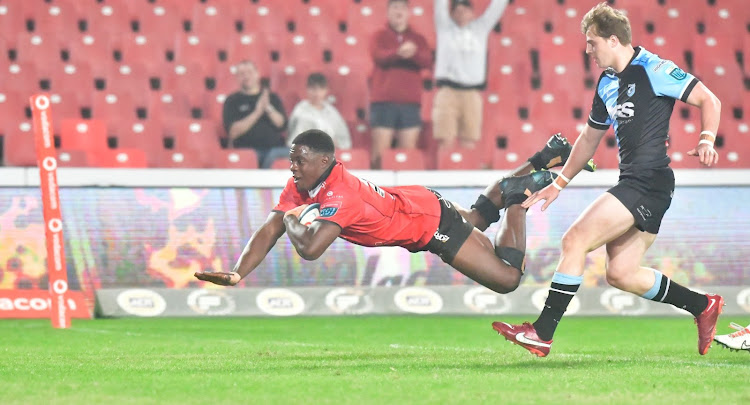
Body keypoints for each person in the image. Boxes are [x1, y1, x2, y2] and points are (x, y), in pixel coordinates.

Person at [493, 2, 723, 357]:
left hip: (647, 181)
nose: (588, 50)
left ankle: (542, 332)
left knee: (574, 240)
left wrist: (706, 140)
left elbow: (710, 99)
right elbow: (588, 139)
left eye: (592, 42)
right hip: (641, 183)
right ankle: (702, 305)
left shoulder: (654, 68)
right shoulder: (607, 83)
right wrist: (558, 183)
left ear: (613, 40)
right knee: (621, 272)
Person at [194, 130, 583, 298]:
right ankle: (545, 154)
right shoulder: (304, 183)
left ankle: (518, 194)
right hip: (417, 203)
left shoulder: (340, 196)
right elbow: (269, 227)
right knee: (479, 219)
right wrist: (238, 272)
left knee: (507, 278)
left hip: (428, 223)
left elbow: (310, 249)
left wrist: (295, 219)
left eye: (299, 160)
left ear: (325, 160)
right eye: (292, 160)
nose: (292, 167)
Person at [432, 0, 508, 149]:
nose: (461, 14)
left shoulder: (481, 29)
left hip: (472, 93)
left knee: (469, 140)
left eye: (465, 10)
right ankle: (445, 169)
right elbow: (440, 6)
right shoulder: (444, 28)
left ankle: (466, 169)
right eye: (457, 11)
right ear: (452, 14)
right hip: (447, 91)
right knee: (445, 139)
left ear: (472, 13)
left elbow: (496, 8)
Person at [370, 0, 432, 169]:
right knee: (379, 155)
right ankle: (374, 192)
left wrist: (413, 53)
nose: (399, 11)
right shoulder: (379, 36)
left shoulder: (418, 39)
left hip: (410, 103)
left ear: (408, 12)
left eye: (402, 7)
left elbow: (427, 60)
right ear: (388, 12)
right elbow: (378, 56)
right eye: (395, 7)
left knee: (407, 155)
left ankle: (402, 195)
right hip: (384, 101)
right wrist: (399, 53)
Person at [222, 60, 288, 169]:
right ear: (237, 78)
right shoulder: (232, 101)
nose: (246, 76)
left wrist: (268, 108)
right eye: (242, 74)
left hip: (274, 151)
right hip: (247, 152)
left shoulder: (272, 97)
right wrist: (257, 112)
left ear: (257, 74)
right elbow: (233, 132)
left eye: (250, 72)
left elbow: (281, 124)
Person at [287, 73, 352, 150]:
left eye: (321, 89)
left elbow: (345, 140)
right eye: (313, 89)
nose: (317, 93)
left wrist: (335, 144)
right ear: (307, 89)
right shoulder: (300, 110)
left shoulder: (332, 112)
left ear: (326, 90)